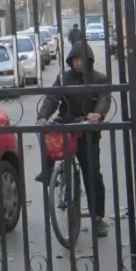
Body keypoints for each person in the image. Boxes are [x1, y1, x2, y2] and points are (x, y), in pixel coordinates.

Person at [35, 41, 111, 238]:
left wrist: (97, 114)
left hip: (87, 128)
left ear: (89, 60)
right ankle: (48, 170)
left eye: (81, 59)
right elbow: (52, 98)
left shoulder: (99, 79)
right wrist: (43, 116)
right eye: (75, 60)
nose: (78, 63)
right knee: (49, 137)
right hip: (67, 123)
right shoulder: (64, 78)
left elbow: (104, 99)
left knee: (92, 174)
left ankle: (97, 217)